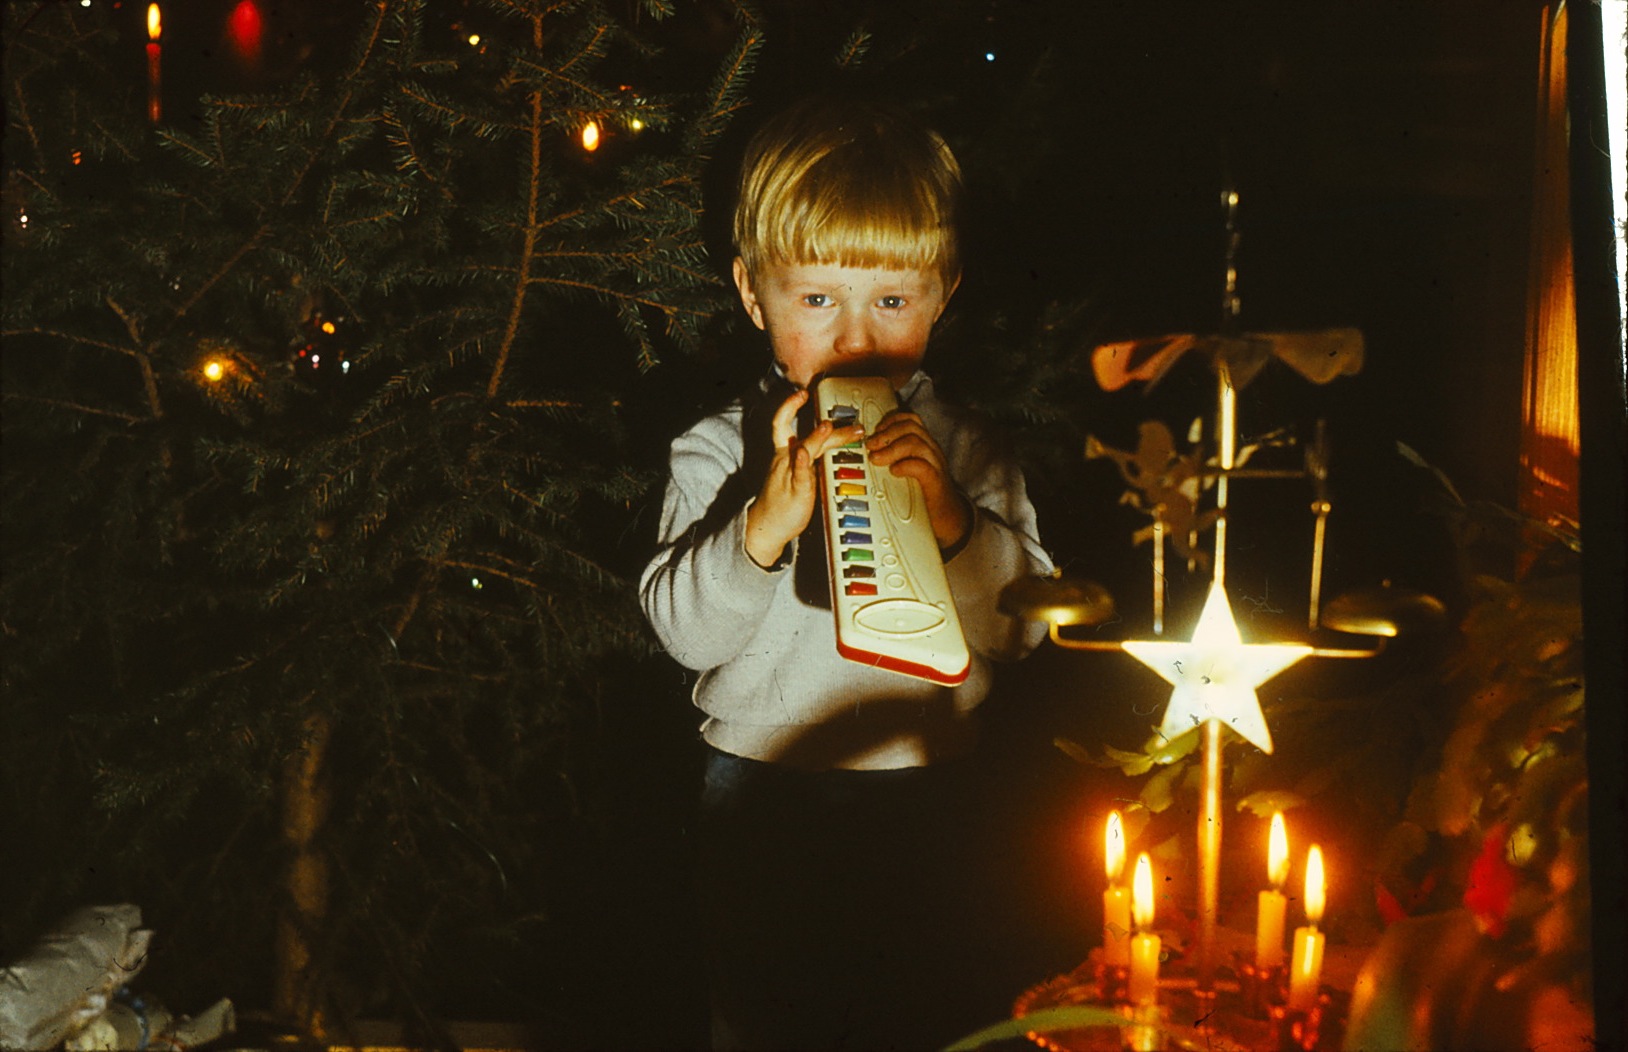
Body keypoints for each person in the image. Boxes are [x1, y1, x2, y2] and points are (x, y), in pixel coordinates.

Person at [639, 95, 1052, 1051]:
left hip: (927, 788)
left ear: (943, 294)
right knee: (766, 1022)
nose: (856, 337)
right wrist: (761, 527)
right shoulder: (718, 452)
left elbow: (1026, 626)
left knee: (923, 1020)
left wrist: (954, 522)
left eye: (891, 301)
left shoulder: (967, 451)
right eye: (817, 300)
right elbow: (685, 634)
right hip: (762, 792)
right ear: (754, 296)